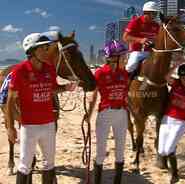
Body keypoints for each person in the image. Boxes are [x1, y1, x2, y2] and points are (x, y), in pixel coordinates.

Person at [7, 33, 76, 184]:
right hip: (29, 126)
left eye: (47, 47)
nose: (47, 51)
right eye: (44, 48)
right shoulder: (20, 71)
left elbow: (52, 89)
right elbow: (10, 101)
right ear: (32, 51)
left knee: (49, 164)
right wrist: (10, 127)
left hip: (49, 124)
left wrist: (66, 87)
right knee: (25, 166)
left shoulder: (49, 68)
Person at [85, 40, 129, 184]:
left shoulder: (125, 73)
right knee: (101, 151)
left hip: (122, 114)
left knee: (120, 150)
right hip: (105, 114)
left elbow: (126, 95)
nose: (126, 59)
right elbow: (93, 96)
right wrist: (89, 114)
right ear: (114, 58)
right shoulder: (100, 73)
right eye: (123, 57)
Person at [123, 1, 160, 79]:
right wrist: (140, 40)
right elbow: (125, 37)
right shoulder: (135, 22)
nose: (155, 16)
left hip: (152, 52)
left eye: (156, 14)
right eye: (154, 13)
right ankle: (125, 84)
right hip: (137, 52)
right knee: (131, 66)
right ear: (146, 12)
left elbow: (158, 39)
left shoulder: (156, 25)